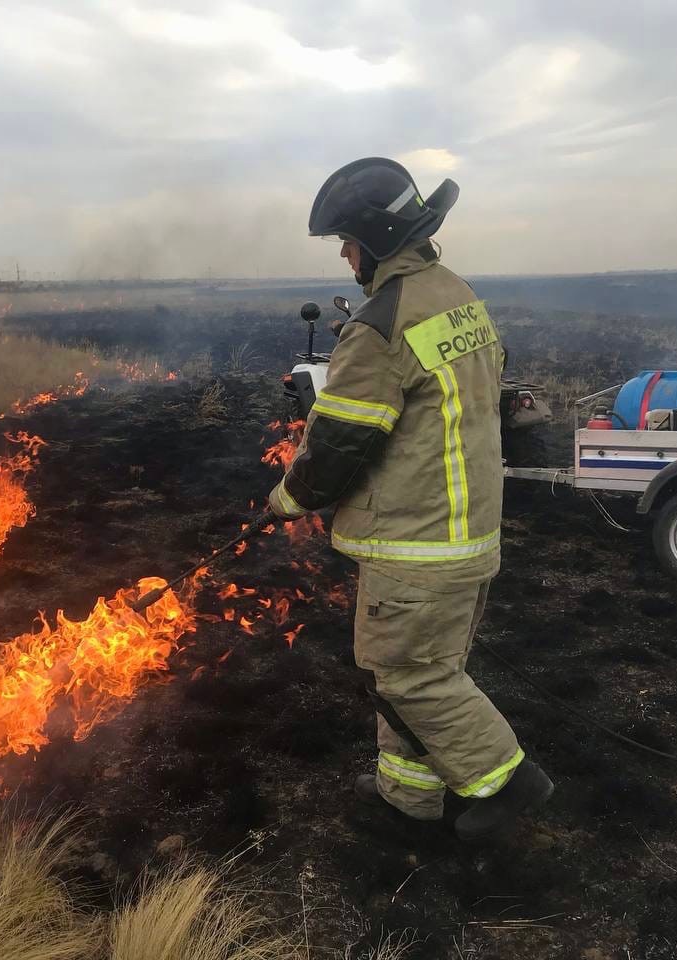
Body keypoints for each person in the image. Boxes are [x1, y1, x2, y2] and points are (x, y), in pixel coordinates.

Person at [268, 157, 552, 841]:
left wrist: (288, 500)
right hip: (467, 530)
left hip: (416, 543)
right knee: (422, 668)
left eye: (347, 241)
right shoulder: (456, 296)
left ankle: (507, 780)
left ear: (376, 238)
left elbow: (338, 443)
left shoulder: (380, 325)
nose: (344, 255)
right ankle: (409, 796)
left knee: (407, 679)